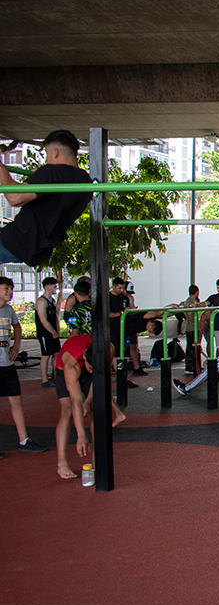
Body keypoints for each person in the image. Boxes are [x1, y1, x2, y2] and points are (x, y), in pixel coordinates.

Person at [0, 130, 93, 267]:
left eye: (47, 154)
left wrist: (2, 169)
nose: (46, 159)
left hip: (14, 241)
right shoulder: (85, 181)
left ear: (55, 152)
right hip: (39, 251)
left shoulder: (51, 172)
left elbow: (15, 198)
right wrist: (36, 178)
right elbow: (52, 203)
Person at [54, 334, 126, 479]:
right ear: (86, 359)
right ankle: (62, 463)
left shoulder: (108, 349)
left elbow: (97, 380)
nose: (92, 370)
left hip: (89, 367)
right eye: (90, 367)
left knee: (95, 407)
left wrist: (87, 401)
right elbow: (76, 401)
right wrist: (81, 435)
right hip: (65, 370)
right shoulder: (72, 363)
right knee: (68, 410)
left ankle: (96, 456)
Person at [0, 276, 45, 458]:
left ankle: (24, 440)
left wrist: (17, 346)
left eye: (11, 288)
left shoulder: (9, 310)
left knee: (16, 401)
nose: (10, 292)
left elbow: (17, 328)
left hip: (6, 363)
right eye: (5, 288)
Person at [34, 276, 61, 388]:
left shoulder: (52, 301)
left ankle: (56, 376)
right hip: (45, 334)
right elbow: (43, 319)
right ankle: (44, 379)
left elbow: (55, 317)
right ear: (48, 287)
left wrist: (58, 330)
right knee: (46, 355)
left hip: (53, 332)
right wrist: (52, 332)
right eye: (54, 287)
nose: (56, 289)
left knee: (56, 354)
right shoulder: (41, 301)